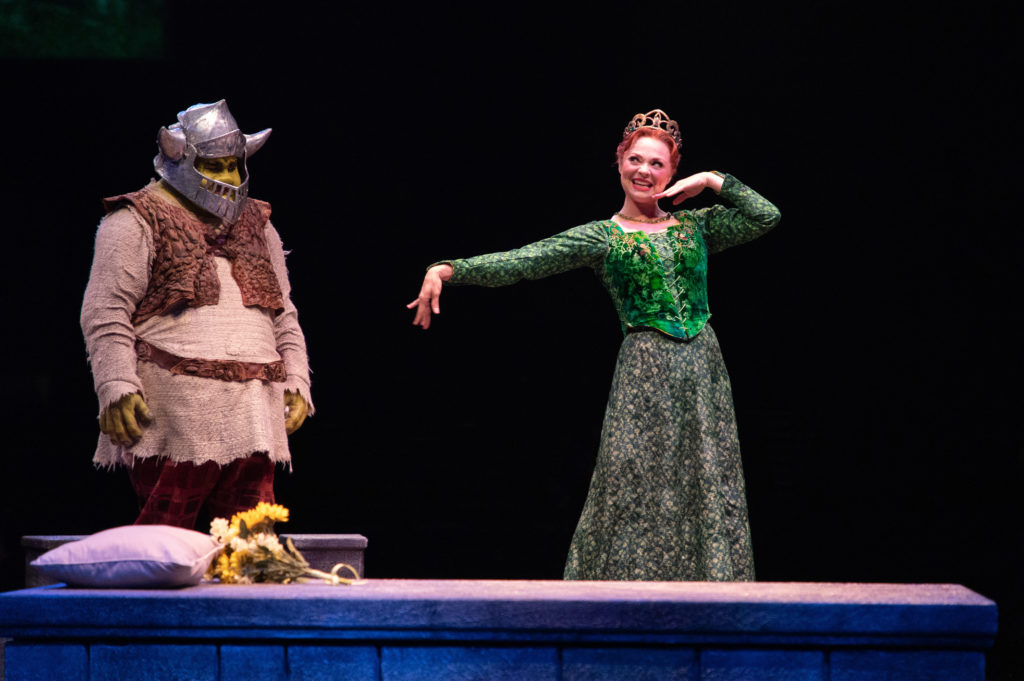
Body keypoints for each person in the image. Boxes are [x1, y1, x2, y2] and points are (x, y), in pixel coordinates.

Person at [408, 110, 780, 581]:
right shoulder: (602, 237)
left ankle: (712, 597)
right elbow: (526, 260)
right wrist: (448, 269)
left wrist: (711, 180)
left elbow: (766, 216)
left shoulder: (696, 228)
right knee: (632, 484)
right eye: (636, 160)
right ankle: (618, 602)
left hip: (703, 369)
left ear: (672, 171)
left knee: (706, 477)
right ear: (619, 162)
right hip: (644, 370)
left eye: (657, 164)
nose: (645, 171)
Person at [81, 100, 313, 529]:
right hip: (177, 413)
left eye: (234, 166)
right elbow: (106, 311)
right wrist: (116, 383)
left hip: (254, 414)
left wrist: (297, 380)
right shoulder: (136, 218)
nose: (228, 178)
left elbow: (283, 313)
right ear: (182, 159)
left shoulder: (258, 223)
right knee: (165, 544)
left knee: (250, 551)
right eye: (214, 166)